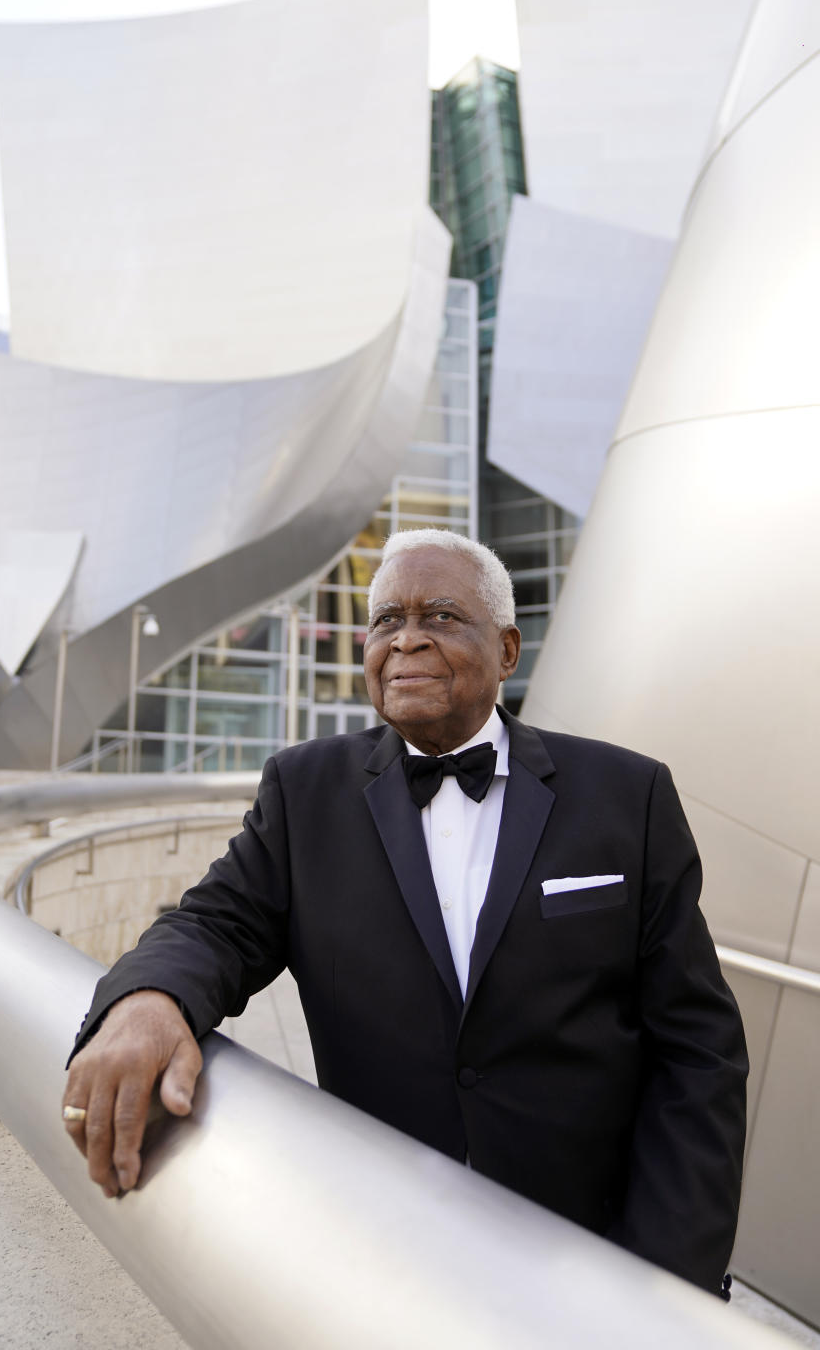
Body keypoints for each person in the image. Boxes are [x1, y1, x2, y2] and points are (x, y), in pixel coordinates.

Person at [63, 528, 747, 1295]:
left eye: (442, 616)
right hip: (382, 1258)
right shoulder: (303, 791)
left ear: (508, 651)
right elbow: (214, 924)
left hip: (587, 1260)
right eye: (387, 620)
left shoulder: (629, 795)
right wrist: (147, 1002)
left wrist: (668, 1281)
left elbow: (698, 1048)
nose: (407, 639)